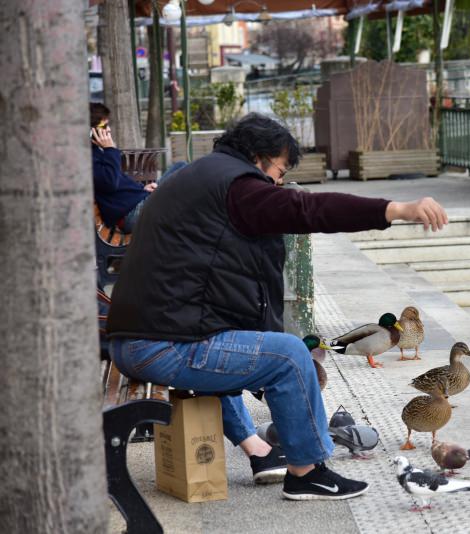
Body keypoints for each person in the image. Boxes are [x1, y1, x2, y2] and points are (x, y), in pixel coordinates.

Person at [106, 113, 449, 501]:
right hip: (159, 345)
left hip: (137, 340)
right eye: (279, 170)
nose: (278, 182)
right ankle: (308, 471)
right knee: (289, 355)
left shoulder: (200, 176)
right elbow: (308, 210)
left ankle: (261, 451)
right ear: (259, 157)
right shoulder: (236, 187)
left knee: (241, 345)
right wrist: (397, 209)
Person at [90, 103, 186, 233]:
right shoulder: (89, 158)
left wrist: (142, 188)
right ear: (91, 130)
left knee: (180, 166)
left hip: (137, 203)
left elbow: (119, 183)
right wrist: (110, 149)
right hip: (131, 213)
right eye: (104, 126)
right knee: (183, 172)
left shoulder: (98, 153)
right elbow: (110, 182)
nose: (108, 130)